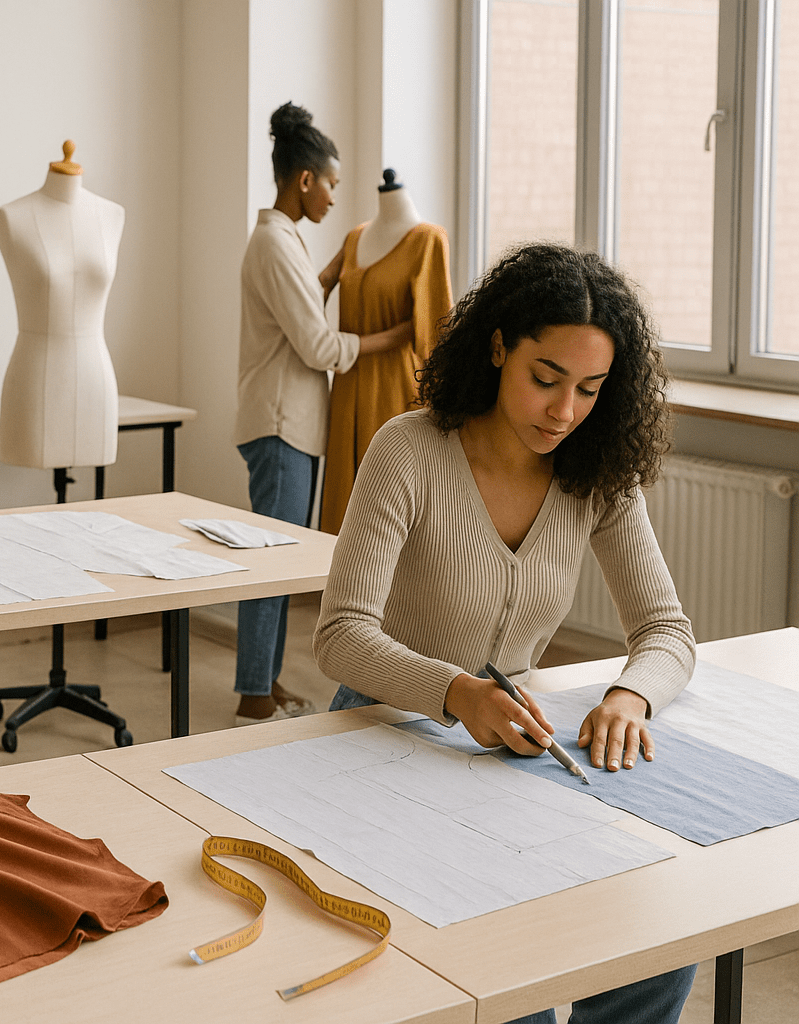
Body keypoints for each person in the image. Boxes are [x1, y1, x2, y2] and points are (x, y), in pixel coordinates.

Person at [315, 242, 697, 1024]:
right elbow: (341, 636)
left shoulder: (597, 474)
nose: (564, 411)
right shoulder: (408, 450)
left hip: (513, 749)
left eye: (589, 389)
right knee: (507, 986)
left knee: (658, 952)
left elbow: (666, 630)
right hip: (381, 732)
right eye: (545, 379)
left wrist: (630, 696)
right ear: (497, 348)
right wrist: (458, 694)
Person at [231, 101, 411, 726]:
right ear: (304, 179)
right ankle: (253, 698)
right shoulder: (275, 245)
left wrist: (330, 273)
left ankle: (263, 680)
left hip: (290, 426)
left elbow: (299, 314)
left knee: (280, 561)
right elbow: (317, 346)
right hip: (281, 426)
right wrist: (395, 337)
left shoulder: (284, 242)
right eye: (331, 183)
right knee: (272, 565)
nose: (335, 196)